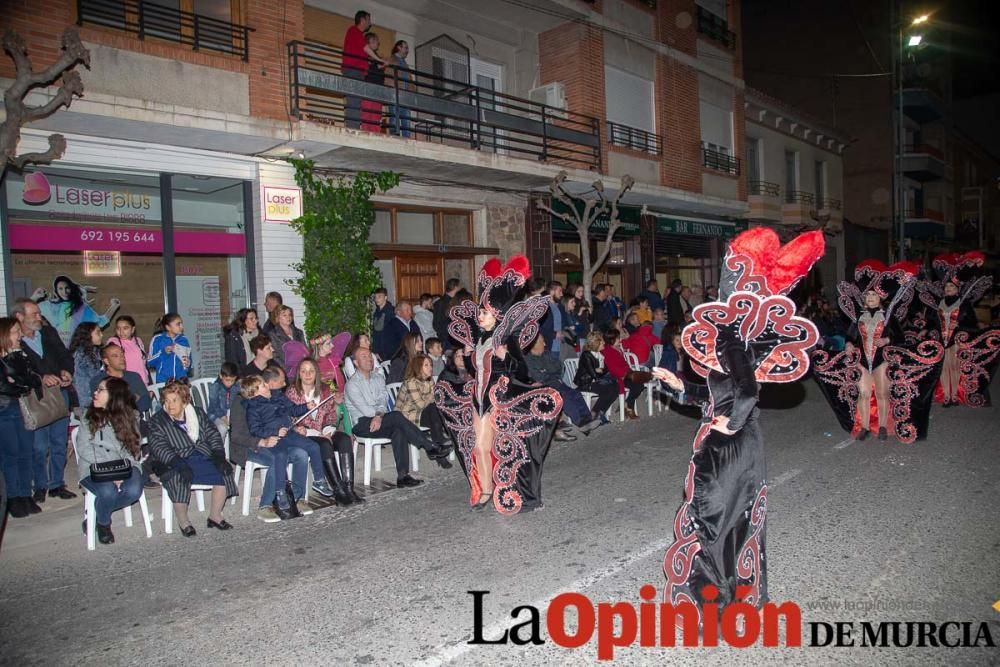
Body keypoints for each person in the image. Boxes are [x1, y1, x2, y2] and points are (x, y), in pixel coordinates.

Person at [658, 227, 825, 632]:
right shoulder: (737, 336)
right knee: (730, 517)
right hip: (742, 444)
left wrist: (728, 425)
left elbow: (747, 392)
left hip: (729, 446)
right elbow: (721, 392)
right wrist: (682, 386)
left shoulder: (733, 338)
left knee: (711, 516)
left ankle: (713, 601)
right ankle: (731, 595)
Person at [433, 255, 563, 514]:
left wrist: (506, 357)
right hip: (478, 399)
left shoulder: (506, 339)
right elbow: (475, 368)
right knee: (479, 446)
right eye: (480, 312)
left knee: (501, 448)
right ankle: (486, 489)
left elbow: (521, 370)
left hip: (499, 400)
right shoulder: (480, 339)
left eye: (484, 313)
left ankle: (510, 489)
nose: (479, 316)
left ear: (496, 315)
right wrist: (469, 355)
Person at [813, 260, 943, 444]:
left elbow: (901, 338)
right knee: (864, 393)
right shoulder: (859, 317)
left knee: (882, 393)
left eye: (874, 295)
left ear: (880, 298)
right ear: (865, 299)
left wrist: (887, 340)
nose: (871, 298)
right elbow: (850, 336)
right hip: (863, 360)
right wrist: (849, 345)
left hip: (882, 359)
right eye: (868, 295)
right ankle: (865, 427)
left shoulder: (888, 317)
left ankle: (883, 425)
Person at [346, 347, 451, 488]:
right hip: (362, 424)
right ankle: (429, 445)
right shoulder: (352, 384)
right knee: (396, 416)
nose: (369, 359)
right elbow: (365, 410)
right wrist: (377, 415)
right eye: (364, 357)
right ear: (356, 363)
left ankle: (403, 476)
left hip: (379, 419)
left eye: (370, 356)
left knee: (398, 429)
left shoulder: (378, 378)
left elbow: (383, 401)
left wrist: (378, 416)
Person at [147, 380, 238, 536]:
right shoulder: (157, 421)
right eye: (166, 401)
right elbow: (159, 447)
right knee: (178, 478)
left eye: (174, 400)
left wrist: (218, 456)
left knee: (223, 471)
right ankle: (184, 522)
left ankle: (214, 516)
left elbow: (212, 434)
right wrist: (178, 464)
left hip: (200, 455)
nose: (170, 405)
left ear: (184, 401)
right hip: (173, 460)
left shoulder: (197, 413)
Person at [245, 367, 337, 516]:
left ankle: (319, 480)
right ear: (254, 393)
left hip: (289, 434)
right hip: (275, 439)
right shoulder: (253, 407)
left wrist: (305, 407)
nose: (267, 385)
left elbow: (292, 409)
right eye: (263, 385)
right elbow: (255, 429)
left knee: (313, 446)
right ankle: (280, 492)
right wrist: (273, 433)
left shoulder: (277, 396)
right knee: (280, 456)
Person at [12, 298, 75, 503]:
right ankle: (40, 486)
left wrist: (66, 371)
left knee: (59, 442)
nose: (39, 317)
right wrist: (41, 378)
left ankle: (56, 484)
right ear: (19, 317)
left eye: (39, 313)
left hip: (59, 393)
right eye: (34, 314)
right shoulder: (14, 341)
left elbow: (65, 356)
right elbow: (16, 370)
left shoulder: (48, 333)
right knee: (39, 446)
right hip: (35, 398)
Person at [919, 251, 1000, 407]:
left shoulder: (963, 304)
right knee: (944, 367)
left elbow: (971, 322)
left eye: (951, 286)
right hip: (941, 340)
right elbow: (932, 321)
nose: (948, 288)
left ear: (957, 289)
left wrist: (965, 328)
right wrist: (925, 329)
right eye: (947, 286)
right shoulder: (939, 304)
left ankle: (955, 395)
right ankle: (947, 396)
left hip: (956, 339)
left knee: (955, 367)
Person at [228, 377, 309, 523]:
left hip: (276, 442)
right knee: (275, 459)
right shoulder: (240, 404)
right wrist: (262, 442)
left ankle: (297, 498)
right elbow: (237, 436)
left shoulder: (270, 398)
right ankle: (265, 505)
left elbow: (280, 420)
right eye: (264, 385)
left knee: (301, 454)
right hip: (250, 446)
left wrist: (294, 428)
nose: (269, 386)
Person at [75, 377, 144, 545]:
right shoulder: (87, 416)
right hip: (94, 466)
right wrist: (110, 471)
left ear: (114, 396)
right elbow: (84, 448)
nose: (95, 393)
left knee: (134, 490)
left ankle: (97, 513)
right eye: (96, 389)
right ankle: (103, 523)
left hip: (124, 464)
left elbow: (133, 448)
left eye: (100, 390)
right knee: (108, 492)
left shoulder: (131, 417)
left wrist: (122, 469)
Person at [286, 357, 358, 505]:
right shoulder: (292, 392)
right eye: (304, 371)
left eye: (311, 371)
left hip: (325, 430)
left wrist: (328, 430)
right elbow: (288, 418)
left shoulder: (325, 390)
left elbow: (331, 413)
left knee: (344, 439)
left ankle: (349, 488)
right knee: (324, 444)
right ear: (299, 373)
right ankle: (338, 491)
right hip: (305, 434)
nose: (307, 374)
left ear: (316, 373)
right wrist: (305, 430)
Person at [0, 317, 43, 518]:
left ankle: (26, 494)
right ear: (5, 334)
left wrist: (17, 382)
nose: (20, 335)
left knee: (27, 452)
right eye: (16, 331)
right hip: (4, 410)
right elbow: (4, 386)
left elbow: (34, 379)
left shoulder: (20, 355)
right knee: (10, 455)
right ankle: (13, 497)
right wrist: (19, 383)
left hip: (21, 408)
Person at [524, 335, 597, 432]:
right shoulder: (529, 360)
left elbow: (558, 367)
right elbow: (538, 377)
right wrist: (549, 372)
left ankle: (588, 420)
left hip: (556, 381)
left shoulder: (546, 354)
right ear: (535, 345)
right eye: (542, 342)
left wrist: (547, 371)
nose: (545, 344)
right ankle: (582, 423)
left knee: (575, 393)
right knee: (564, 397)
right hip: (544, 386)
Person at [31, 274, 120, 348]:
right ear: (56, 290)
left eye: (67, 288)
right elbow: (26, 309)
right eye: (60, 288)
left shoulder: (81, 307)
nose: (64, 292)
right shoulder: (49, 305)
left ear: (71, 288)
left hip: (77, 350)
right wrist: (35, 297)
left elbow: (101, 322)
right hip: (56, 350)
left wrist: (114, 307)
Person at [395, 354, 452, 456]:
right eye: (426, 365)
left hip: (424, 413)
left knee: (437, 410)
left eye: (430, 365)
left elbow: (437, 398)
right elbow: (421, 404)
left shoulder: (429, 380)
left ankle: (437, 446)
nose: (430, 367)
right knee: (434, 409)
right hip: (408, 416)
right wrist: (431, 397)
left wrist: (433, 397)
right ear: (418, 367)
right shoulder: (410, 382)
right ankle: (439, 442)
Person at [573, 330, 619, 424]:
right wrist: (599, 370)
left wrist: (600, 370)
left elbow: (606, 370)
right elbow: (594, 374)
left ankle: (599, 413)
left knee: (615, 387)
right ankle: (594, 413)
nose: (604, 343)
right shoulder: (586, 355)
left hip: (596, 381)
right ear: (596, 342)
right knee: (608, 389)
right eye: (602, 341)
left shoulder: (600, 354)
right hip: (586, 383)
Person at [92, 343, 152, 415]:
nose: (122, 358)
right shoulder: (98, 381)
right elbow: (101, 406)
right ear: (106, 361)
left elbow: (145, 400)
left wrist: (129, 412)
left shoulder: (134, 377)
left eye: (122, 354)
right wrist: (132, 399)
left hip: (134, 418)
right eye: (115, 356)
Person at [601, 328, 644, 420]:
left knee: (639, 383)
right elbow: (612, 368)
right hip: (617, 377)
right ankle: (628, 407)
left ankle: (626, 404)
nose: (620, 340)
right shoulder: (607, 351)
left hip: (625, 374)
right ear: (611, 340)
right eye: (618, 338)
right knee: (637, 385)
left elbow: (624, 364)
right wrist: (626, 373)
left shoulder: (617, 348)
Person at [342, 10, 371, 130]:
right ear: (363, 19)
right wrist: (379, 59)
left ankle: (354, 125)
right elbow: (366, 49)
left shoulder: (357, 34)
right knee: (353, 99)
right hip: (353, 70)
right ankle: (352, 127)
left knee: (356, 100)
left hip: (357, 71)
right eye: (369, 19)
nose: (370, 23)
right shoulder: (354, 30)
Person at [70, 322, 104, 413]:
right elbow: (78, 380)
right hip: (87, 401)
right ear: (87, 335)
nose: (101, 335)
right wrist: (88, 402)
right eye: (98, 332)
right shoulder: (81, 354)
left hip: (96, 398)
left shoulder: (95, 352)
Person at [148, 313, 191, 382]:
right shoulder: (157, 339)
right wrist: (164, 352)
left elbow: (189, 360)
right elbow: (150, 362)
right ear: (168, 327)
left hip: (181, 382)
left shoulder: (184, 339)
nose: (182, 327)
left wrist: (188, 364)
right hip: (163, 382)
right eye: (178, 324)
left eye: (181, 324)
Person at [107, 315, 149, 384]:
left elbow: (143, 363)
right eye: (118, 328)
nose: (121, 332)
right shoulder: (113, 342)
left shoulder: (138, 341)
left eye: (125, 328)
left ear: (132, 329)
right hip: (125, 382)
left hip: (143, 381)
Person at [267, 305, 307, 374]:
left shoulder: (299, 332)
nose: (288, 317)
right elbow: (275, 355)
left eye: (289, 314)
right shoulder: (273, 334)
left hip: (301, 368)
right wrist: (287, 369)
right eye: (284, 315)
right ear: (277, 317)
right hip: (284, 371)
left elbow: (305, 350)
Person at [361, 32, 388, 133]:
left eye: (376, 41)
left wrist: (381, 66)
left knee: (376, 112)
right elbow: (367, 68)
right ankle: (366, 132)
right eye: (374, 41)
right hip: (368, 85)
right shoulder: (365, 54)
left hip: (378, 86)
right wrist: (379, 65)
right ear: (369, 43)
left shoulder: (376, 56)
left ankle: (375, 132)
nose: (377, 43)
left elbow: (377, 68)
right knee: (368, 110)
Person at [384, 300, 421, 367]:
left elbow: (419, 338)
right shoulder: (392, 325)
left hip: (414, 357)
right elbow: (389, 346)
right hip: (400, 359)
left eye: (410, 310)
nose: (410, 312)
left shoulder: (413, 323)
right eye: (407, 310)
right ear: (398, 312)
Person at [207, 362, 240, 436]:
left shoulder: (236, 386)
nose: (230, 383)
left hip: (231, 414)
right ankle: (218, 447)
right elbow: (214, 405)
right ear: (221, 376)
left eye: (232, 380)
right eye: (227, 380)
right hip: (215, 415)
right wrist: (222, 416)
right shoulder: (215, 387)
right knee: (222, 428)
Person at [541, 281, 569, 362]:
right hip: (549, 346)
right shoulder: (543, 307)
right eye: (559, 291)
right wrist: (554, 334)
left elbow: (564, 323)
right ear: (552, 291)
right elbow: (540, 327)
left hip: (561, 346)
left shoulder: (560, 307)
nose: (562, 294)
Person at [389, 40, 412, 137]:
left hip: (405, 95)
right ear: (399, 47)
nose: (407, 50)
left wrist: (412, 90)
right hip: (395, 94)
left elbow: (409, 80)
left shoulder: (405, 63)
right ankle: (394, 138)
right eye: (405, 47)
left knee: (406, 119)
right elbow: (388, 76)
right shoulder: (392, 60)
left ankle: (407, 138)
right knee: (394, 117)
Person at [434, 278, 462, 346]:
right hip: (446, 337)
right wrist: (443, 336)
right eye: (459, 286)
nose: (460, 288)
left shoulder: (455, 300)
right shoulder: (441, 303)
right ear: (455, 287)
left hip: (453, 336)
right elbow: (436, 323)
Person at [371, 288, 395, 360]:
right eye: (375, 297)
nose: (377, 299)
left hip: (388, 349)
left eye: (379, 296)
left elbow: (391, 332)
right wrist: (376, 350)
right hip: (379, 349)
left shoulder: (391, 311)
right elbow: (376, 332)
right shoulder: (376, 313)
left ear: (385, 297)